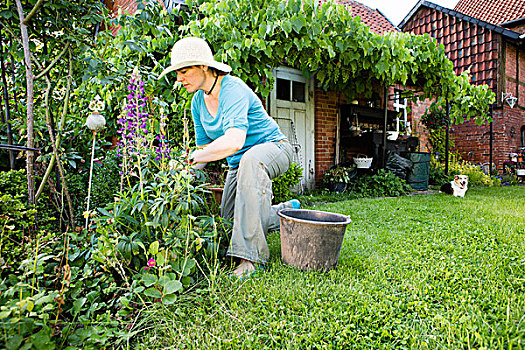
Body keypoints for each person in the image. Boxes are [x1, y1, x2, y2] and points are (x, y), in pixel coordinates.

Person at [158, 37, 300, 278]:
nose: (179, 78)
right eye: (177, 73)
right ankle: (286, 213)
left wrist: (191, 157)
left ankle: (252, 259)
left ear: (204, 66)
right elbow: (205, 150)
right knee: (230, 224)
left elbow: (234, 141)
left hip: (273, 148)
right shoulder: (197, 103)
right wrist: (180, 177)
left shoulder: (232, 88)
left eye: (184, 71)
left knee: (250, 162)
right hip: (240, 164)